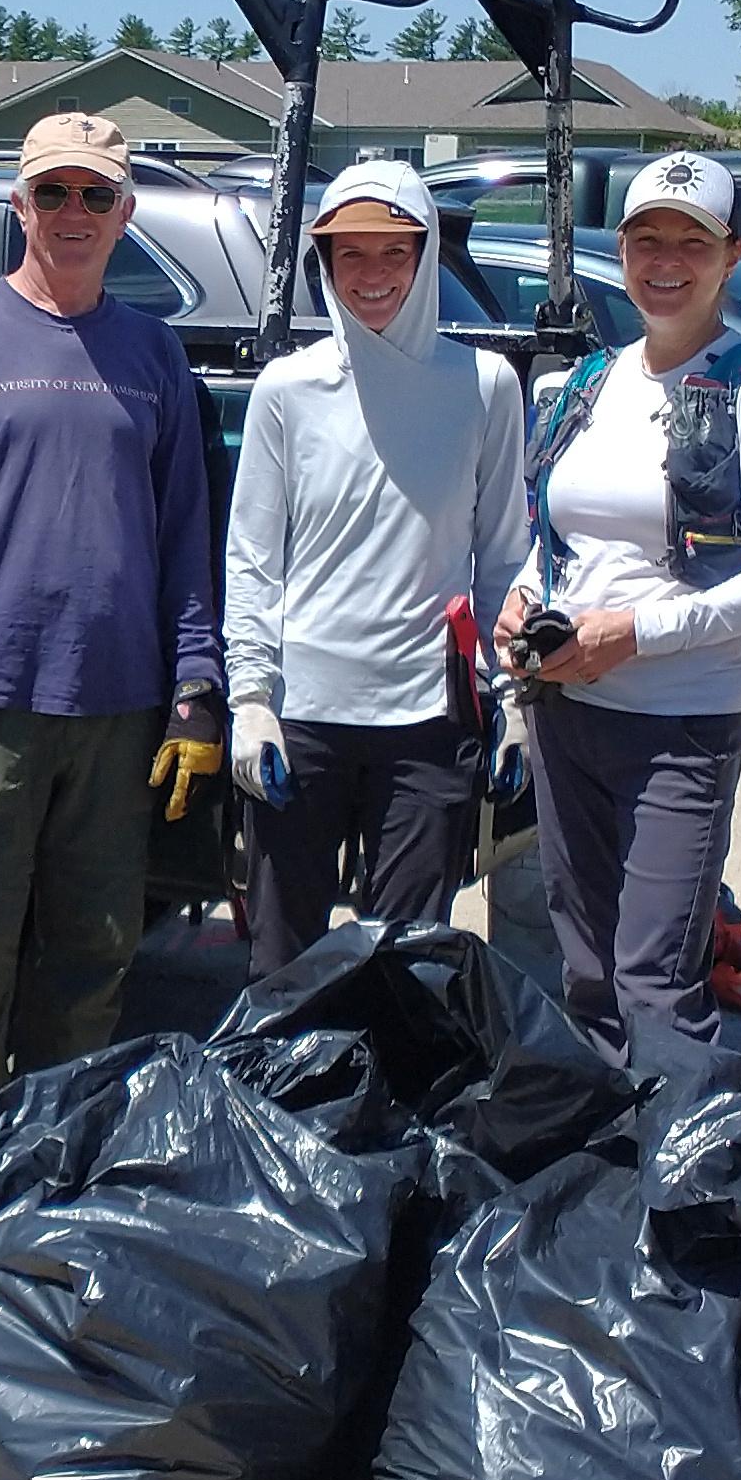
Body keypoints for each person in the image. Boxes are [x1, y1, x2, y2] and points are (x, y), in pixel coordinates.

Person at [0, 112, 223, 1177]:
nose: (73, 213)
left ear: (123, 214)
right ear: (17, 205)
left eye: (96, 196)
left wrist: (196, 687)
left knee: (95, 947)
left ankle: (56, 1156)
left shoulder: (152, 349)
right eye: (54, 193)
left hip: (119, 705)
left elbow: (183, 534)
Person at [497, 150, 741, 1063]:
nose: (666, 261)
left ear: (731, 255)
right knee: (588, 970)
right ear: (624, 249)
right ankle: (605, 1179)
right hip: (567, 714)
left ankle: (681, 1188)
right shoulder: (586, 385)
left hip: (683, 724)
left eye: (693, 241)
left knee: (654, 979)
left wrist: (635, 634)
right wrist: (526, 599)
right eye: (647, 241)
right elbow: (554, 538)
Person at [222, 156, 528, 971]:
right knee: (283, 961)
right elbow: (253, 558)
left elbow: (502, 556)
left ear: (427, 256)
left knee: (409, 962)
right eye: (348, 253)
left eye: (394, 251)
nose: (372, 274)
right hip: (305, 717)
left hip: (430, 723)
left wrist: (510, 696)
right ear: (322, 263)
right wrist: (250, 700)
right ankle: (282, 1101)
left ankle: (393, 1104)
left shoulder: (486, 385)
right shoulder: (287, 390)